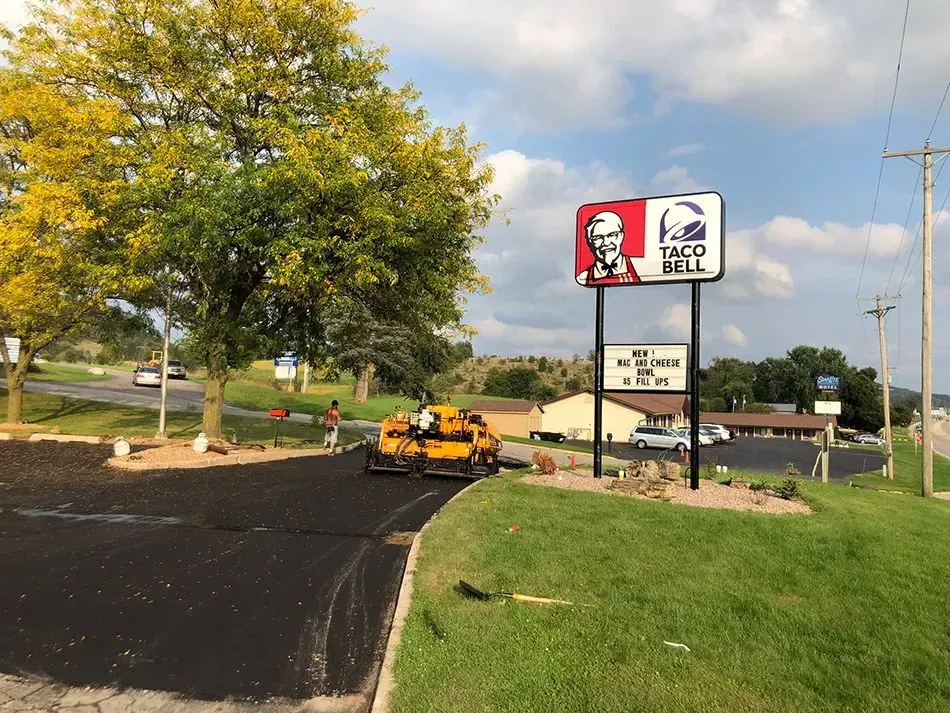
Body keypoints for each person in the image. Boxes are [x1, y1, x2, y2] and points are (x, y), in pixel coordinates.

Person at [575, 210, 641, 286]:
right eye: (598, 237)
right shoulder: (584, 277)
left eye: (612, 235)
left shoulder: (641, 267)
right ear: (590, 242)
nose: (606, 243)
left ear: (621, 236)